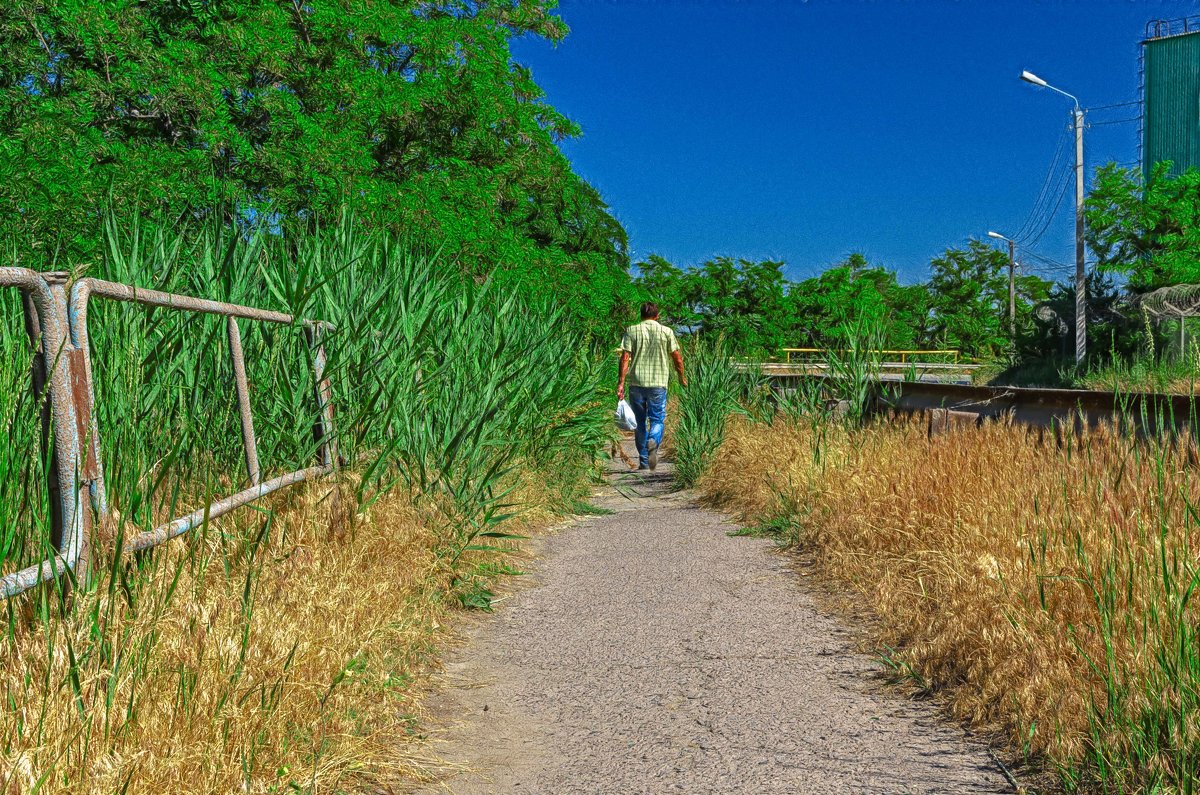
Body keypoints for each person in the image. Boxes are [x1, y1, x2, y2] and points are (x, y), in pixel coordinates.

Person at [616, 302, 687, 470]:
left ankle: (644, 460)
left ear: (641, 315)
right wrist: (681, 376)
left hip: (636, 383)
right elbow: (677, 357)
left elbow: (625, 357)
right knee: (657, 419)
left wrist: (620, 382)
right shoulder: (667, 332)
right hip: (658, 383)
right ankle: (653, 441)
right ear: (657, 316)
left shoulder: (631, 331)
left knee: (639, 422)